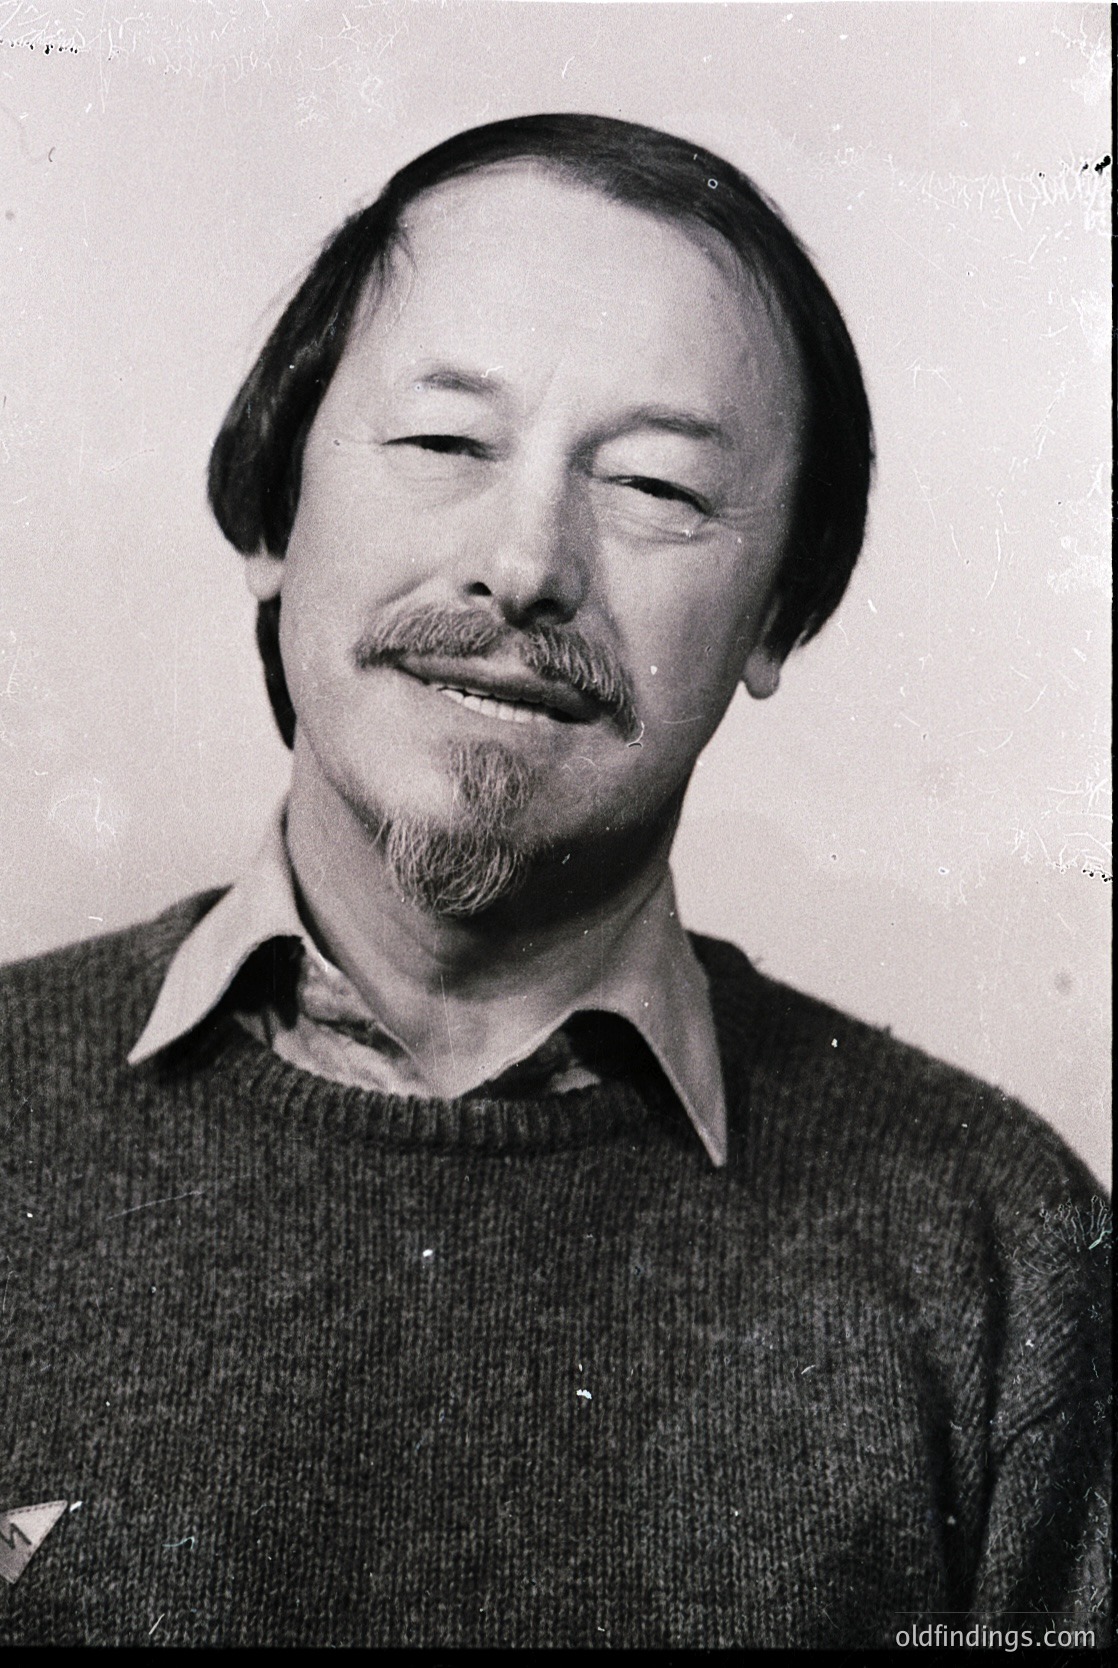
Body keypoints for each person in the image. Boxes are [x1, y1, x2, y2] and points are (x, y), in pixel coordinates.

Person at [0, 115, 1108, 1650]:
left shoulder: (1002, 1254)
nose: (525, 564)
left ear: (779, 616)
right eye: (446, 444)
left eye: (654, 485)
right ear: (272, 508)